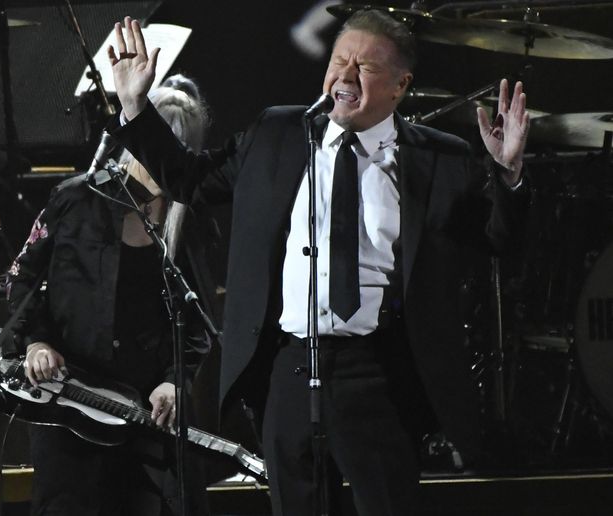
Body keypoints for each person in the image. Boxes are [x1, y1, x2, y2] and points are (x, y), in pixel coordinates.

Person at [109, 10, 530, 516]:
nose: (346, 77)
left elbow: (499, 241)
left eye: (367, 68)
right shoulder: (276, 133)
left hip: (379, 376)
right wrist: (134, 105)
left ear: (401, 85)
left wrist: (508, 177)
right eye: (339, 61)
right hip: (287, 369)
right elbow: (188, 180)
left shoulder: (439, 158)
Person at [5, 75, 214, 516]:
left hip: (148, 412)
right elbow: (22, 276)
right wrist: (36, 341)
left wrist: (175, 379)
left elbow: (201, 318)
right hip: (69, 401)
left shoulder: (191, 222)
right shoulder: (75, 198)